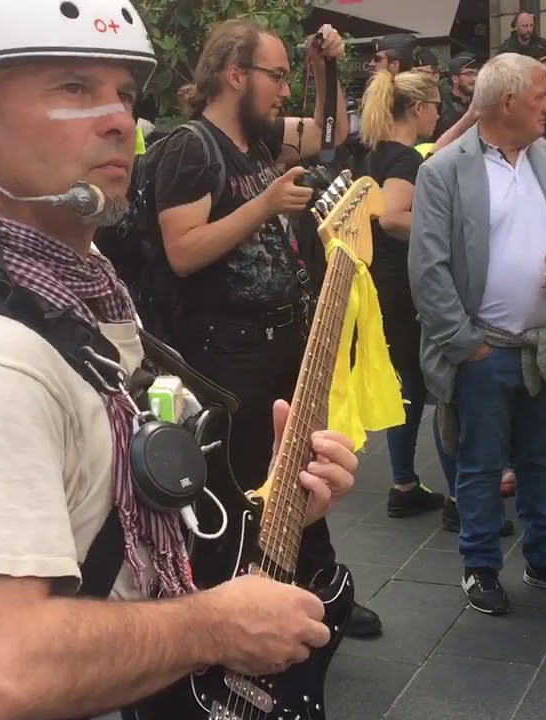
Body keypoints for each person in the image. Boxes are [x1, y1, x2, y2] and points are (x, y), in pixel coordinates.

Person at [0, 1, 361, 718]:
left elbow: (112, 518)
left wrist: (272, 506)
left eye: (123, 93)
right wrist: (219, 625)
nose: (118, 119)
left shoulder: (79, 286)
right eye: (73, 88)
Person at [152, 19, 384, 639]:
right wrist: (263, 205)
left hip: (278, 344)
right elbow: (183, 249)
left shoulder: (255, 141)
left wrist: (322, 68)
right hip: (227, 358)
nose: (283, 91)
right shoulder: (191, 148)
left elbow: (326, 133)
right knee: (252, 484)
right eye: (276, 77)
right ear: (234, 75)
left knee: (301, 468)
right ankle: (250, 602)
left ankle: (318, 586)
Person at [410, 52, 546, 616]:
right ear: (508, 102)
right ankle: (480, 567)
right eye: (543, 94)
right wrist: (466, 345)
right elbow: (429, 270)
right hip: (484, 351)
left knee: (544, 461)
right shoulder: (443, 170)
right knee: (480, 464)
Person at [357, 69, 447, 520]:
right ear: (416, 109)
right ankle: (405, 482)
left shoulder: (373, 152)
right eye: (434, 105)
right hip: (398, 282)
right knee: (413, 379)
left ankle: (404, 480)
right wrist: (447, 229)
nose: (438, 112)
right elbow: (393, 218)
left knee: (399, 376)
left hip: (372, 278)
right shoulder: (406, 159)